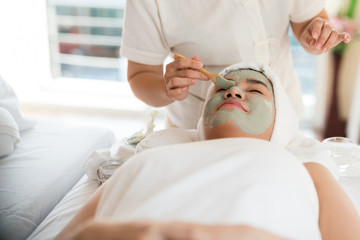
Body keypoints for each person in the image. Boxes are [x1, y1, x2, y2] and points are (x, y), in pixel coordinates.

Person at [55, 64, 360, 240]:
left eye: (255, 90)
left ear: (281, 121)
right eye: (221, 90)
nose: (233, 91)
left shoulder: (302, 162)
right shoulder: (150, 155)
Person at [121, 0, 352, 129]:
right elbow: (140, 74)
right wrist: (166, 88)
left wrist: (316, 35)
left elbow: (309, 20)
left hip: (281, 119)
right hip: (194, 130)